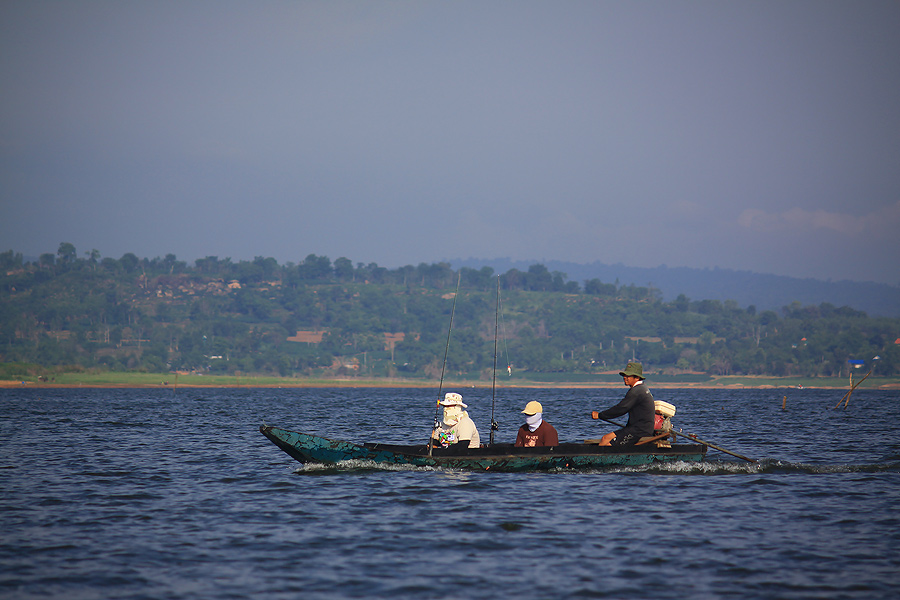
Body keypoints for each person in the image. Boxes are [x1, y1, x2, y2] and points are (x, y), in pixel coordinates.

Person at [591, 362, 655, 446]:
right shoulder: (642, 388)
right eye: (624, 375)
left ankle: (600, 458)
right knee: (605, 438)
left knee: (608, 444)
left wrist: (600, 415)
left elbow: (621, 408)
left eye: (628, 376)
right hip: (637, 428)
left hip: (639, 431)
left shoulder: (637, 391)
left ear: (637, 377)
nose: (625, 377)